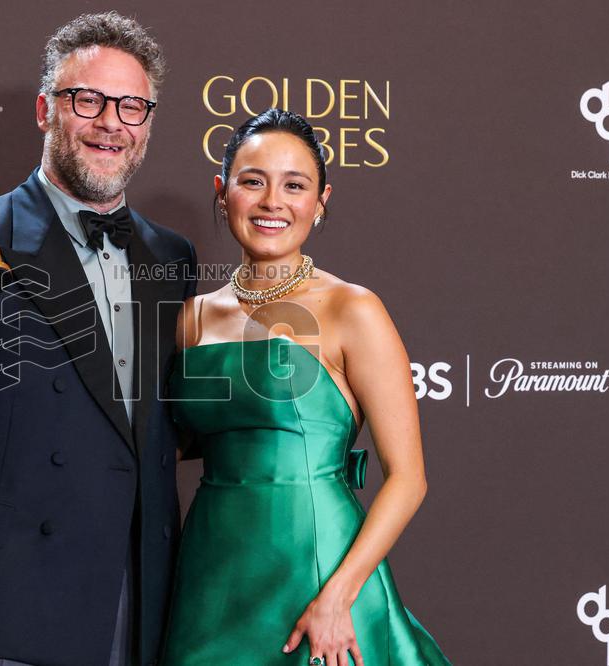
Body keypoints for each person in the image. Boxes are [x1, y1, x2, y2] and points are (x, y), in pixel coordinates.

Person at [0, 12, 197, 666]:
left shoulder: (173, 256)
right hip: (0, 602)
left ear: (149, 124)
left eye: (132, 106)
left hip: (132, 598)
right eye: (89, 100)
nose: (112, 122)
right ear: (46, 110)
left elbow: (168, 429)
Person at [160, 108, 451, 665]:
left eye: (295, 186)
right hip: (211, 573)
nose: (273, 202)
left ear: (320, 203)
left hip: (317, 572)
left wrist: (340, 596)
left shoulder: (352, 309)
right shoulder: (192, 317)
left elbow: (409, 479)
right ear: (222, 194)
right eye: (253, 181)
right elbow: (169, 443)